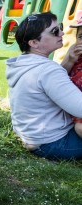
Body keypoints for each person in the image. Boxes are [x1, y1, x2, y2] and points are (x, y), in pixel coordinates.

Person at [6, 11, 82, 160]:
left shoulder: (23, 63)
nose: (62, 32)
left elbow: (53, 84)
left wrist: (69, 60)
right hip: (55, 143)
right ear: (34, 43)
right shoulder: (47, 71)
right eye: (55, 31)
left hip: (33, 137)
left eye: (59, 27)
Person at [64, 15, 82, 137]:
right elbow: (60, 73)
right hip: (74, 99)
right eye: (81, 37)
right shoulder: (73, 49)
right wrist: (70, 60)